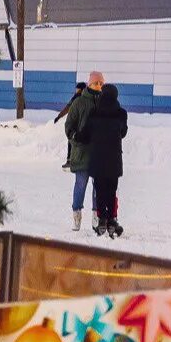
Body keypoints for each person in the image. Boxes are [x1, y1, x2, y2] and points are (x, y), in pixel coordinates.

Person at [83, 83, 128, 238]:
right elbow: (123, 132)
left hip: (97, 158)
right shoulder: (121, 114)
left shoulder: (94, 112)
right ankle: (112, 220)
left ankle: (102, 220)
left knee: (100, 190)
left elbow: (85, 133)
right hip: (114, 159)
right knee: (111, 190)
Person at [64, 71, 102, 231]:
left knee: (98, 186)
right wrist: (76, 137)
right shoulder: (79, 103)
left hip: (98, 153)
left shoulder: (104, 102)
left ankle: (96, 214)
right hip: (81, 152)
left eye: (101, 84)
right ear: (89, 84)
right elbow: (69, 126)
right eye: (96, 83)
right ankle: (77, 213)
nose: (98, 86)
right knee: (81, 183)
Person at [54, 82, 86, 170]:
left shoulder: (77, 98)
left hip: (75, 124)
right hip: (82, 124)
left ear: (81, 89)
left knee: (72, 141)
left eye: (78, 89)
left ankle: (71, 161)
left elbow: (67, 108)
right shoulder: (86, 98)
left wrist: (59, 116)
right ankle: (77, 161)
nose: (76, 90)